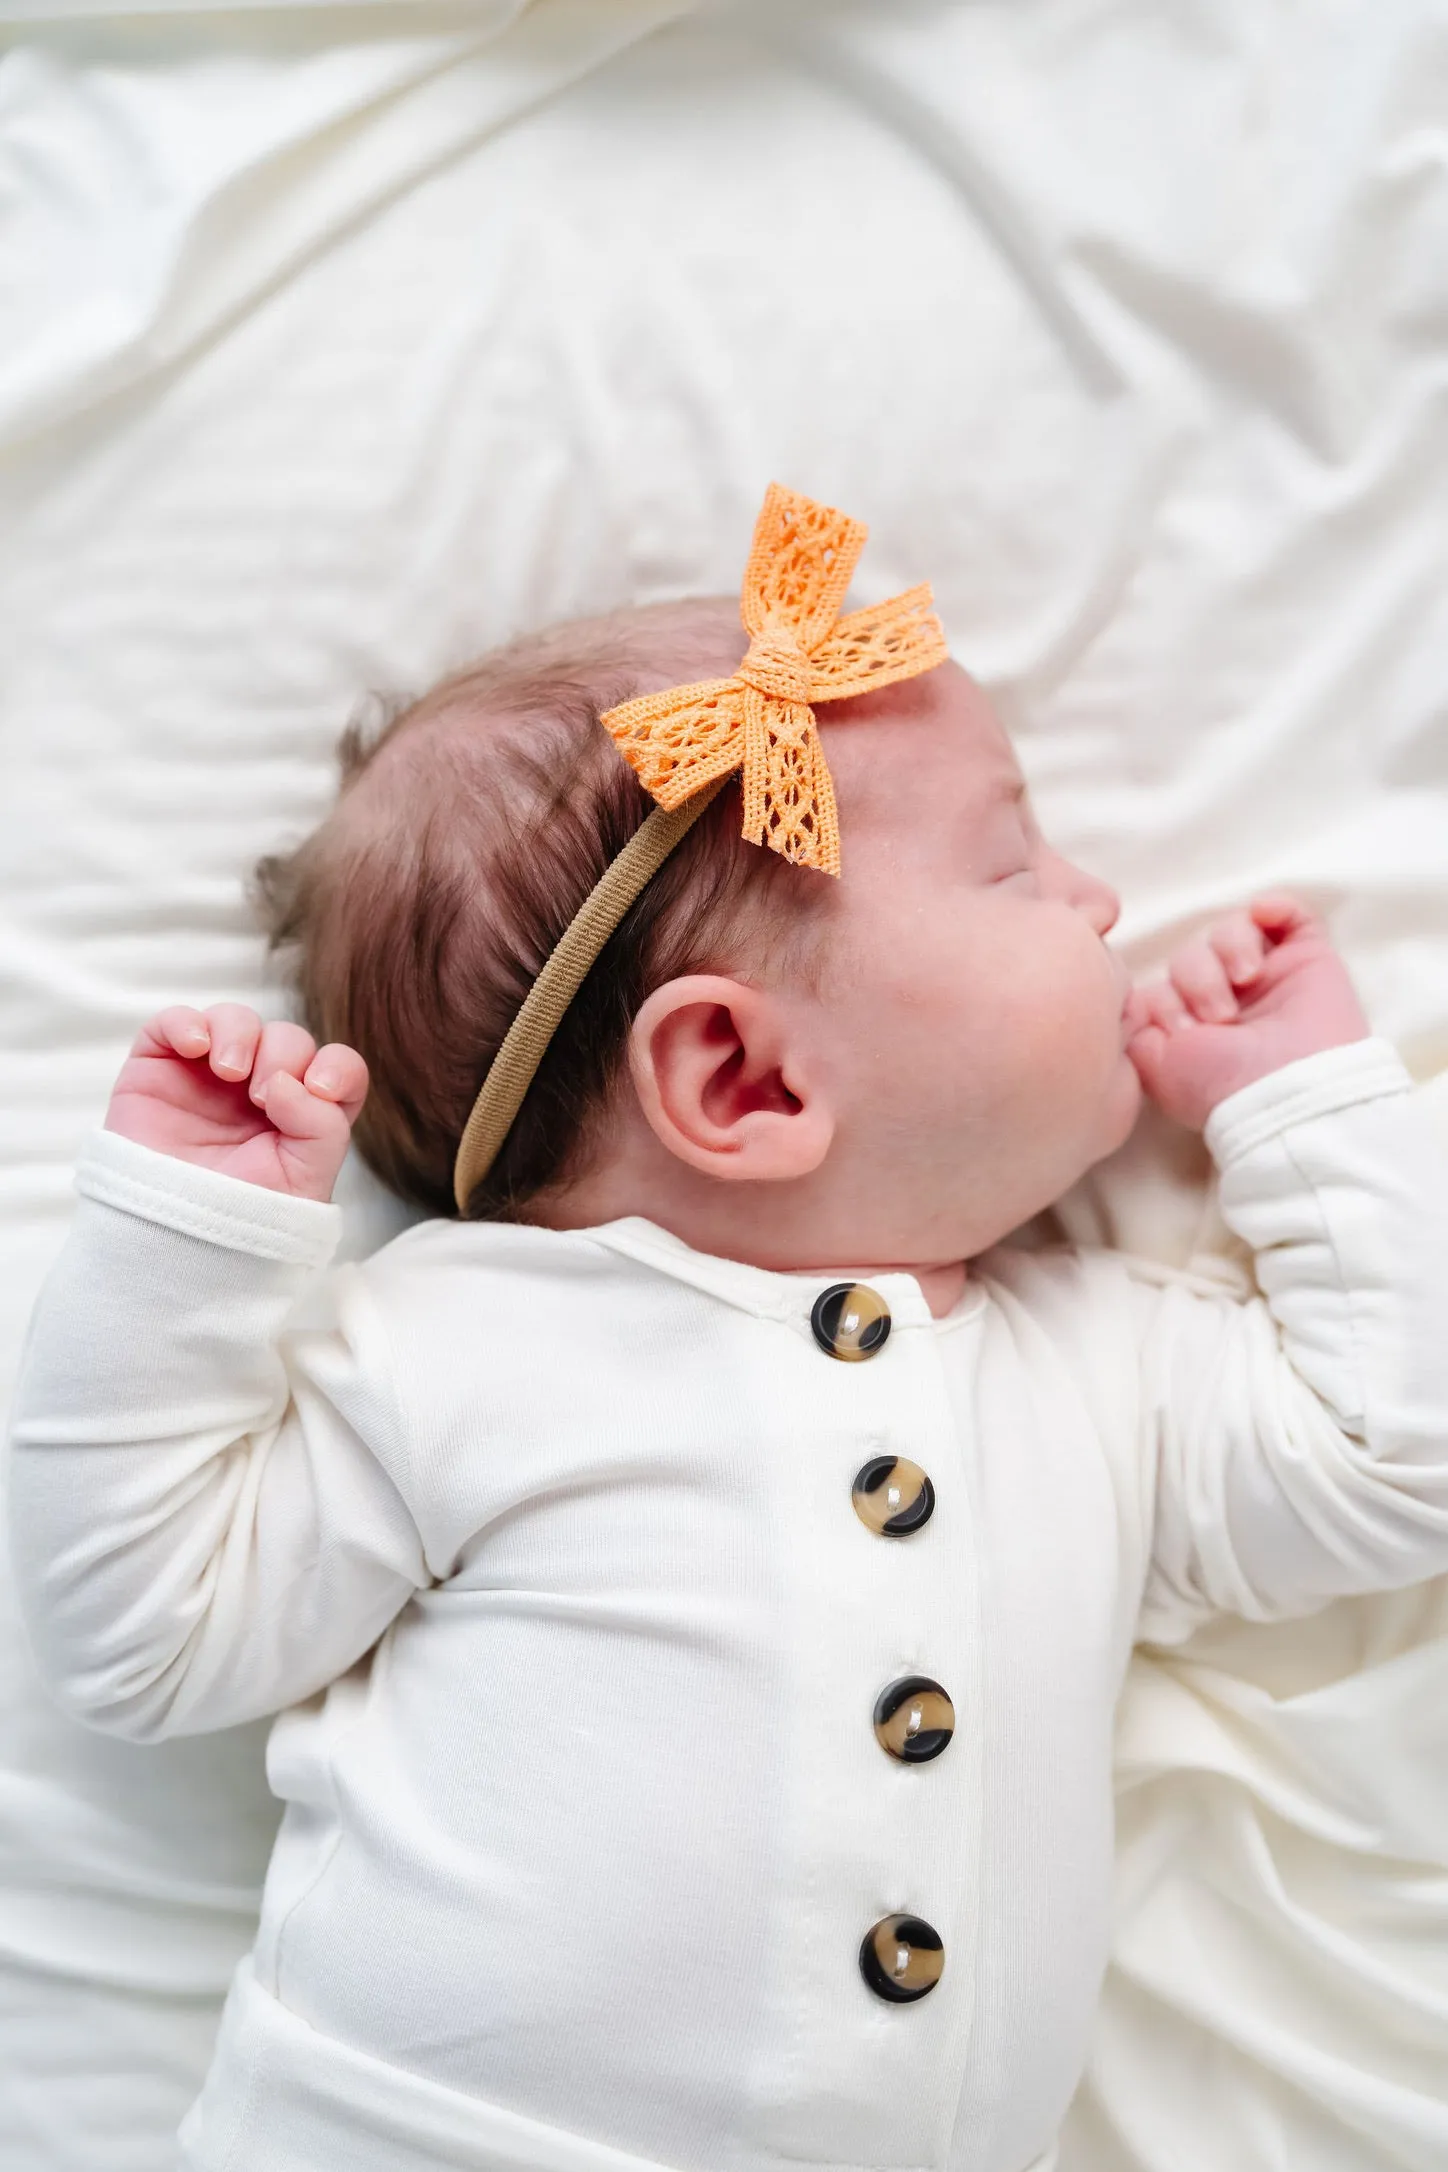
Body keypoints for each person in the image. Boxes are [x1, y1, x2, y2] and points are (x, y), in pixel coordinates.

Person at [8, 486, 1448, 2172]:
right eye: (1012, 863)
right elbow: (145, 1636)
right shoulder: (466, 1345)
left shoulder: (1101, 1370)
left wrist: (1310, 1112)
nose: (1103, 901)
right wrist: (185, 1242)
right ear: (747, 1080)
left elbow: (1389, 1462)